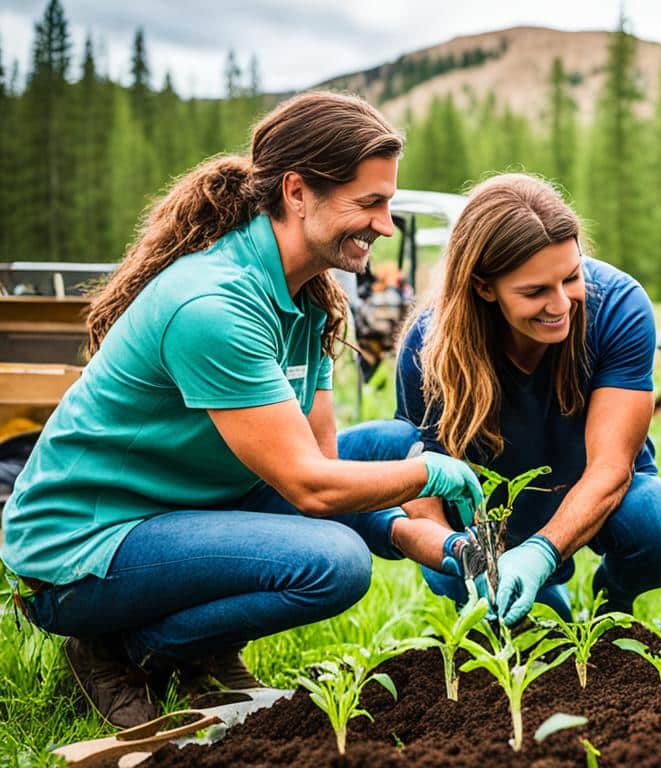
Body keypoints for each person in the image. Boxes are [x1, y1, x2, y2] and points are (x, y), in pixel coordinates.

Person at [1, 92, 483, 728]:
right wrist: (430, 477)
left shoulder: (309, 299)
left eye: (387, 202)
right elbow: (311, 489)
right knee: (335, 567)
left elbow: (325, 462)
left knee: (393, 440)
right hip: (85, 547)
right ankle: (126, 648)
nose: (385, 225)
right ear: (296, 192)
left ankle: (200, 643)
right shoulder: (215, 307)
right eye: (369, 203)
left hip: (188, 504)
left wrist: (417, 535)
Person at [352, 172, 661, 626]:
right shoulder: (432, 343)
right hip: (489, 517)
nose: (561, 305)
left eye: (571, 277)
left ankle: (609, 598)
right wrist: (455, 550)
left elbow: (612, 469)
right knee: (525, 618)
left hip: (596, 492)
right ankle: (536, 596)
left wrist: (541, 551)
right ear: (483, 287)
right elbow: (424, 485)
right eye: (535, 291)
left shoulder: (617, 306)